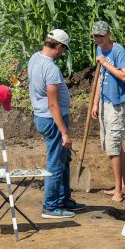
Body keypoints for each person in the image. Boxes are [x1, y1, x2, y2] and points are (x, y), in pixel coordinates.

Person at [28, 29, 85, 219]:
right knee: (55, 162)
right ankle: (50, 207)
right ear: (58, 46)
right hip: (52, 120)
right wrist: (65, 133)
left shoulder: (35, 58)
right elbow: (52, 104)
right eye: (63, 50)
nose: (63, 53)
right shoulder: (50, 69)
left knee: (63, 159)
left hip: (43, 116)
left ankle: (63, 199)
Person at [90, 20, 125, 202]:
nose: (98, 39)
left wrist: (105, 63)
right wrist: (95, 102)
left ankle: (118, 191)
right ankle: (123, 186)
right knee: (111, 145)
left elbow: (124, 76)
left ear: (108, 34)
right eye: (95, 36)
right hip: (104, 103)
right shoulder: (100, 50)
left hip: (116, 104)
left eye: (101, 35)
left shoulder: (117, 50)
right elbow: (100, 78)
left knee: (113, 148)